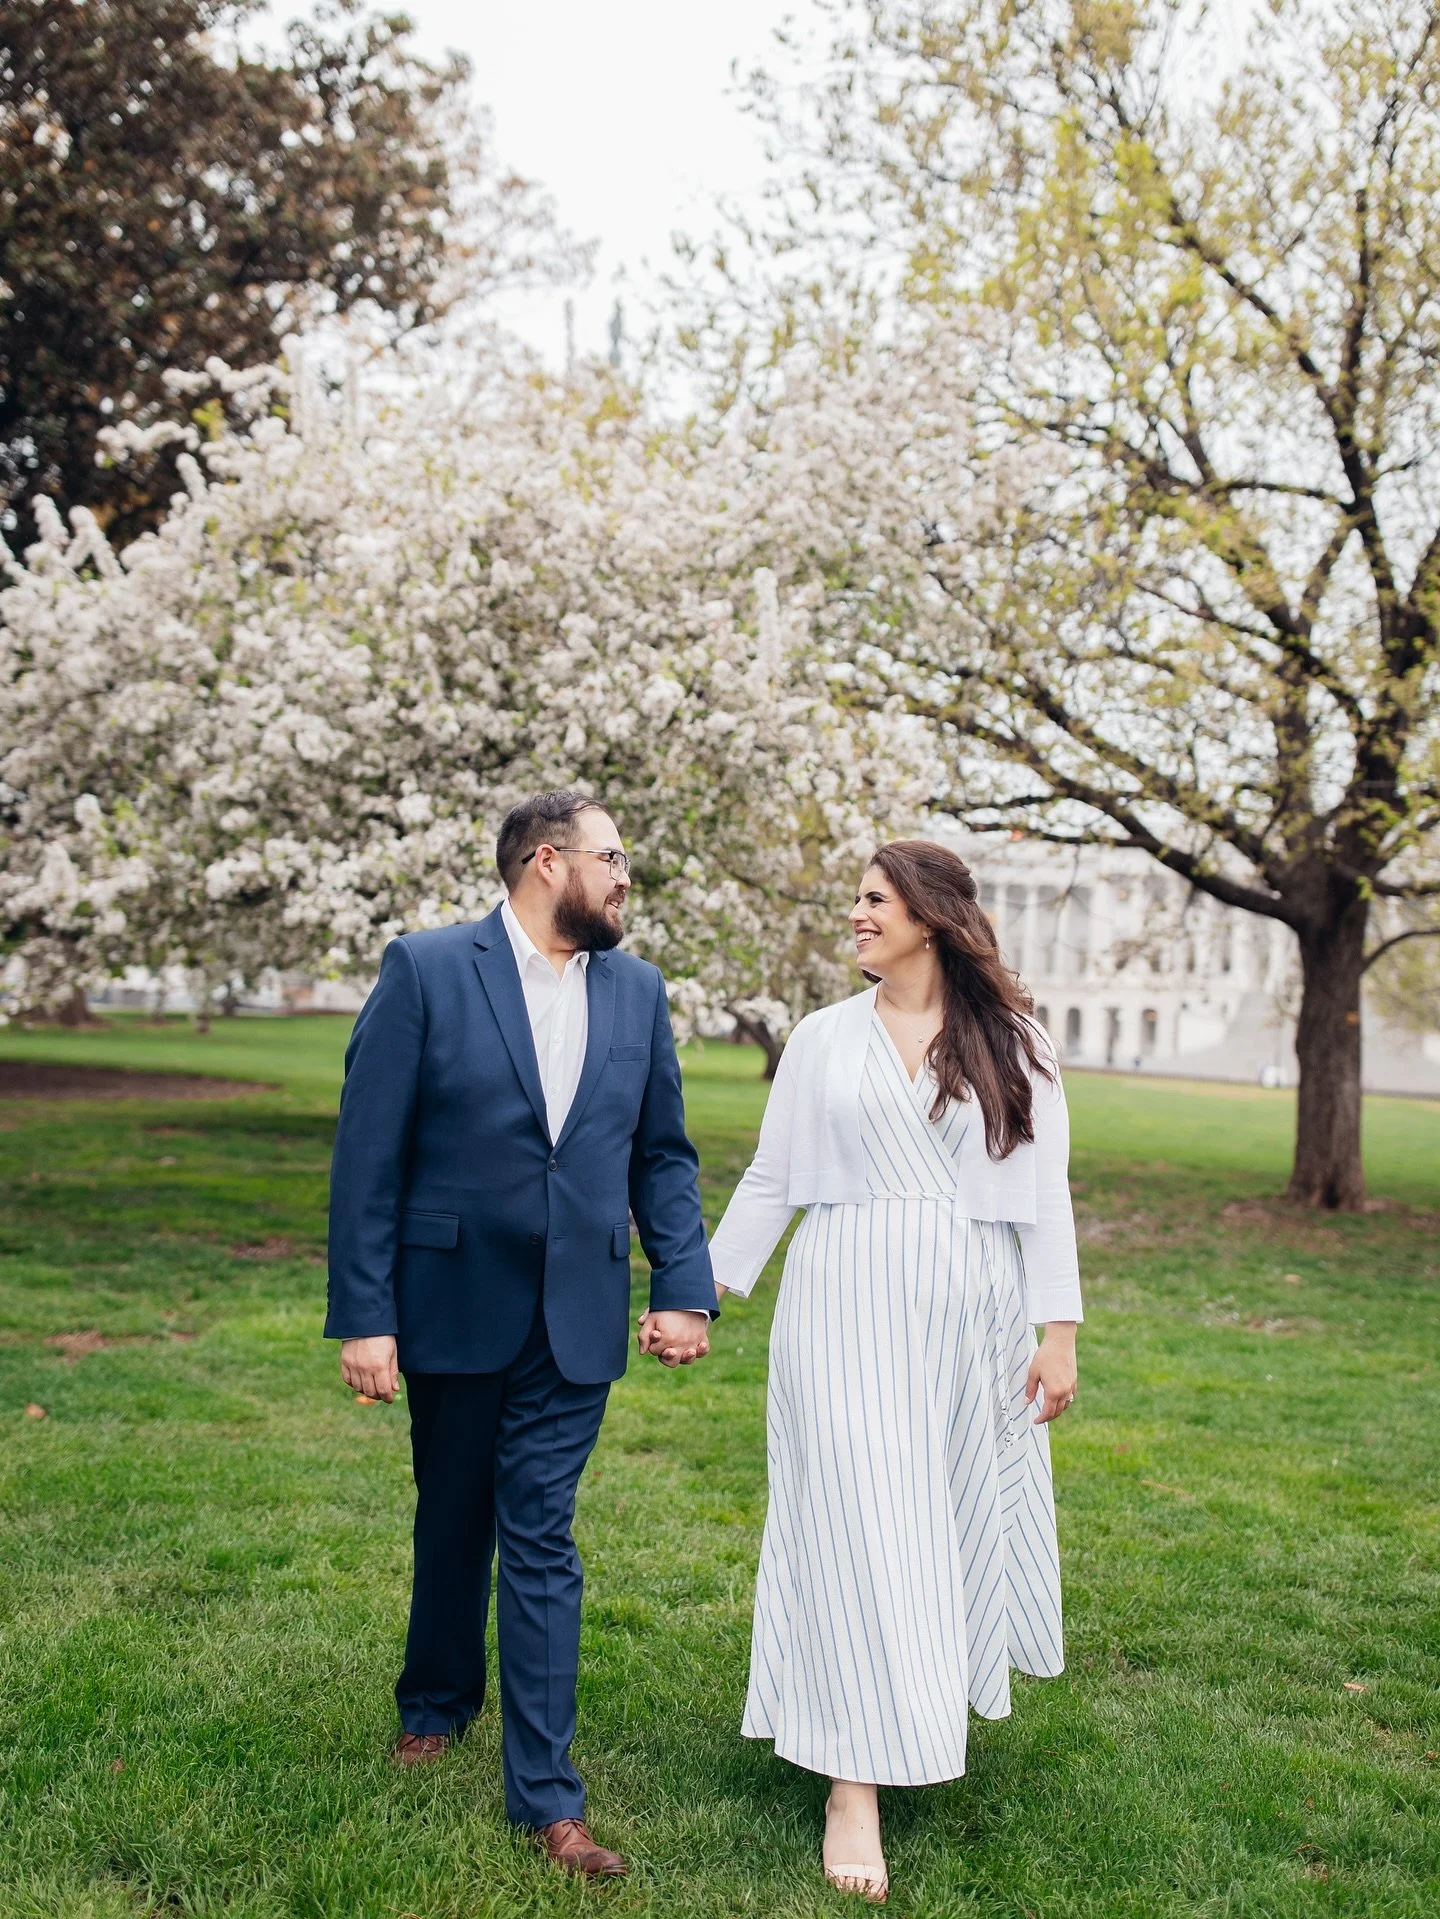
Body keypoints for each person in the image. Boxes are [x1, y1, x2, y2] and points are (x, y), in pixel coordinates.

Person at [325, 790, 715, 1881]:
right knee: (453, 1513)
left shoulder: (638, 992)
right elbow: (369, 1155)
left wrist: (682, 1280)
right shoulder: (427, 968)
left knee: (540, 1531)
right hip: (451, 1296)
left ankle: (549, 1797)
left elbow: (663, 1154)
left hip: (578, 1311)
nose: (625, 876)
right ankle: (435, 1697)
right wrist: (366, 1312)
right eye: (612, 856)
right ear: (547, 863)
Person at [709, 840, 1082, 1905]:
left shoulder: (1014, 1041)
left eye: (876, 899)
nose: (858, 914)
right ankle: (852, 1784)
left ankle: (914, 1704)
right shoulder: (822, 1038)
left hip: (973, 1308)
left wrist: (1059, 1332)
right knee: (854, 1521)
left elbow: (1045, 1194)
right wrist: (703, 1289)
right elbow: (773, 1175)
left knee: (941, 1520)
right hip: (840, 1305)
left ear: (929, 912)